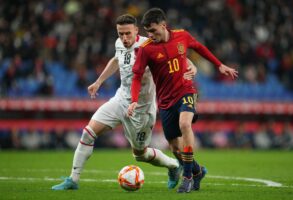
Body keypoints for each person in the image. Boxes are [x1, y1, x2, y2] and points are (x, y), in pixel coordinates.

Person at [52, 14, 197, 190]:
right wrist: (99, 82)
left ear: (136, 30)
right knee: (88, 133)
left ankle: (173, 166)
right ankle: (73, 180)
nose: (124, 38)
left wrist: (192, 67)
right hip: (120, 99)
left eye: (128, 33)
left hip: (141, 109)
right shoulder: (119, 43)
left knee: (140, 155)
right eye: (121, 33)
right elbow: (116, 60)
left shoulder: (149, 44)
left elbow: (179, 54)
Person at [127, 8, 238, 193]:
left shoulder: (182, 36)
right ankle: (197, 171)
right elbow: (137, 76)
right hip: (165, 101)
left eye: (153, 30)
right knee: (175, 149)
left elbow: (200, 47)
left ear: (163, 25)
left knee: (185, 124)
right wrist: (134, 100)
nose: (150, 35)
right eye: (148, 31)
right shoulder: (146, 49)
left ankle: (187, 177)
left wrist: (220, 65)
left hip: (185, 91)